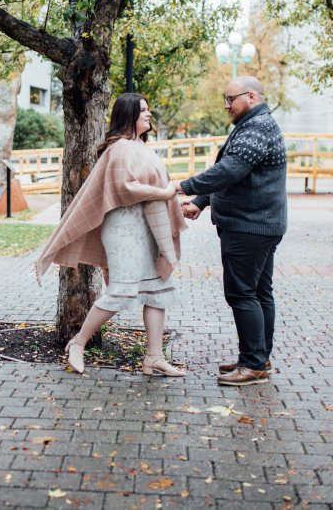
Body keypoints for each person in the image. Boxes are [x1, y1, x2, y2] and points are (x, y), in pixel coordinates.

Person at [35, 93, 188, 377]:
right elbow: (125, 187)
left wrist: (176, 202)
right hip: (123, 228)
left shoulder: (141, 146)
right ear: (128, 114)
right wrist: (168, 192)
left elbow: (151, 187)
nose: (148, 113)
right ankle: (78, 343)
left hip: (145, 228)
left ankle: (154, 357)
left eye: (148, 108)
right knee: (121, 290)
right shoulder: (119, 149)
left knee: (156, 291)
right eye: (142, 110)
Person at [175, 76, 287, 387]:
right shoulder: (255, 125)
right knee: (260, 292)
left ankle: (252, 364)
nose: (226, 105)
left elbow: (230, 170)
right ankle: (258, 358)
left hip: (249, 226)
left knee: (241, 293)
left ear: (251, 96)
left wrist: (183, 186)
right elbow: (236, 175)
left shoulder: (257, 127)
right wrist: (201, 201)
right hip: (259, 225)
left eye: (230, 99)